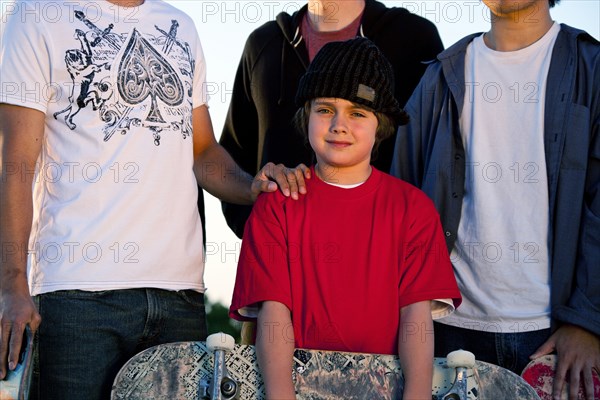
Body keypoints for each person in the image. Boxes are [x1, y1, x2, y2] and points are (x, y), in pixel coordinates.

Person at [0, 1, 308, 399]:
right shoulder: (37, 15)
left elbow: (202, 152)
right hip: (76, 295)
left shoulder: (179, 25)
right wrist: (11, 285)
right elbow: (16, 163)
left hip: (178, 297)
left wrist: (251, 186)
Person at [229, 37, 462, 400]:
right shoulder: (277, 205)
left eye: (357, 113)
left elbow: (416, 319)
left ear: (379, 124)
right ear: (306, 115)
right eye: (325, 109)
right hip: (295, 387)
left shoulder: (413, 209)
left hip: (386, 388)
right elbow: (273, 315)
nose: (339, 125)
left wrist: (416, 395)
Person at [390, 0, 600, 398]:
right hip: (446, 332)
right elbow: (399, 198)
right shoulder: (439, 75)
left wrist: (589, 321)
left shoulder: (592, 68)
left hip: (558, 337)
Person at [219, 0, 444, 238]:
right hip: (283, 250)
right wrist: (259, 224)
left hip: (383, 252)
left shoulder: (414, 38)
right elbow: (236, 150)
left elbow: (439, 154)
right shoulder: (263, 44)